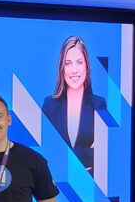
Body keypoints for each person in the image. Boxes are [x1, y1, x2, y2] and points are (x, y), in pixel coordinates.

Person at [41, 36, 106, 174]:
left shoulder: (98, 104)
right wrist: (83, 156)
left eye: (79, 62)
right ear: (62, 68)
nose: (74, 70)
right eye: (68, 63)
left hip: (89, 181)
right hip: (55, 179)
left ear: (87, 66)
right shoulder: (50, 105)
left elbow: (102, 151)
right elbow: (46, 149)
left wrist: (67, 154)